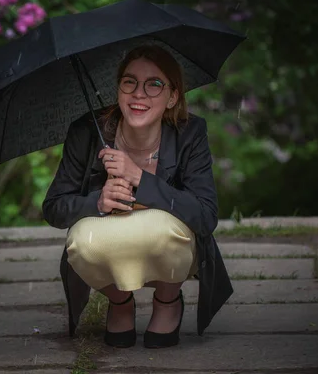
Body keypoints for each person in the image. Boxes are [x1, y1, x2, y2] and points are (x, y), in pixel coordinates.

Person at [42, 45, 233, 349]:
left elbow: (205, 216)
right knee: (81, 241)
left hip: (169, 242)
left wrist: (139, 178)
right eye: (129, 82)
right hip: (111, 234)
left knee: (167, 230)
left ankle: (168, 299)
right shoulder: (86, 132)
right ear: (118, 89)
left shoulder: (190, 133)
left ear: (173, 96)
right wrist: (97, 202)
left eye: (154, 84)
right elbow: (53, 208)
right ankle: (120, 302)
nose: (139, 94)